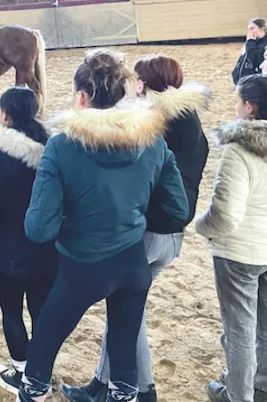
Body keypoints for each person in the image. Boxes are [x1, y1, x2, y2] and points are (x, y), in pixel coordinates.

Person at [17, 49, 189, 402]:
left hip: (82, 266)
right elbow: (177, 208)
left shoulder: (61, 147)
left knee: (45, 345)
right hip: (132, 262)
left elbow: (38, 228)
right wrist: (133, 212)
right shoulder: (152, 139)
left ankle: (32, 392)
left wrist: (71, 223)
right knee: (124, 355)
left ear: (81, 97)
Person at [63, 54, 210, 402]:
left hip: (148, 232)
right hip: (174, 235)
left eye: (139, 81)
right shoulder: (192, 123)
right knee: (125, 311)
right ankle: (102, 382)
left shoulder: (153, 125)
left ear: (147, 83)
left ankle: (143, 389)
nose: (135, 87)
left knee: (129, 316)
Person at [0, 86, 57, 396]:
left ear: (4, 115)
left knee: (12, 313)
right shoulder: (54, 152)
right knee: (42, 312)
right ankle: (42, 371)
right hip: (48, 251)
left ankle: (21, 372)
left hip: (8, 252)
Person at [195, 74, 267, 402]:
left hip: (239, 254)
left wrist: (201, 227)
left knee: (239, 331)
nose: (235, 105)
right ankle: (261, 384)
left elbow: (224, 216)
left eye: (238, 100)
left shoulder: (238, 151)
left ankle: (239, 395)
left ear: (249, 108)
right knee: (264, 326)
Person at [232, 19, 267, 85]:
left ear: (262, 29)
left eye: (252, 28)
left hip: (256, 84)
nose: (249, 32)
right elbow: (241, 60)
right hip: (243, 82)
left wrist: (250, 41)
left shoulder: (261, 44)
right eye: (248, 29)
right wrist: (235, 74)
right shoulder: (250, 43)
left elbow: (254, 60)